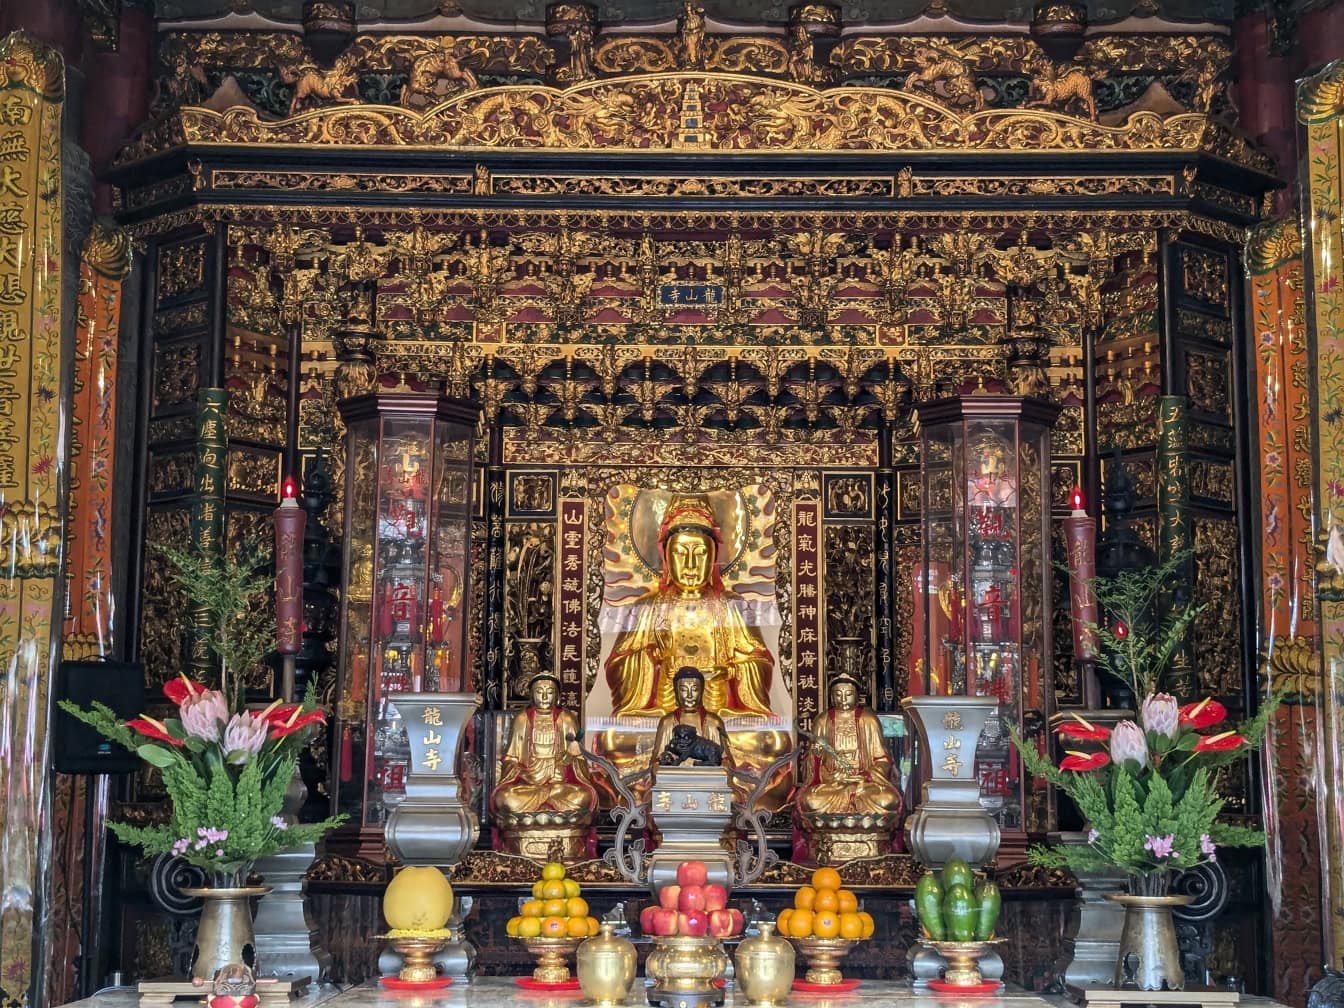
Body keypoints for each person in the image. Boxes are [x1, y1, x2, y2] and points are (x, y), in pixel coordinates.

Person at [604, 494, 774, 718]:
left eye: (701, 554)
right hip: (661, 713)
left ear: (713, 556)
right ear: (666, 556)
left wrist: (729, 671)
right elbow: (617, 666)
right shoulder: (647, 608)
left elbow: (760, 662)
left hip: (721, 713)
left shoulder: (733, 606)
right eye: (680, 554)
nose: (691, 565)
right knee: (613, 738)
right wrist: (653, 660)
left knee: (773, 741)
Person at [491, 674, 597, 819]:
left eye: (550, 692)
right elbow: (510, 759)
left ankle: (541, 808)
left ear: (558, 696)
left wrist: (570, 760)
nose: (545, 697)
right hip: (530, 785)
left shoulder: (567, 718)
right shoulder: (522, 719)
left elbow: (579, 759)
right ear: (532, 695)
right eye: (539, 692)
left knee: (582, 797)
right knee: (505, 798)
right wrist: (520, 770)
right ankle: (553, 810)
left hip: (559, 787)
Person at [798, 675, 901, 817]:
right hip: (833, 785)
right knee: (810, 801)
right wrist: (819, 760)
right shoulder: (822, 721)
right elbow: (812, 765)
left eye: (848, 694)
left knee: (888, 800)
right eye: (838, 695)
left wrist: (865, 776)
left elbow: (883, 760)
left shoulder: (868, 720)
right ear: (832, 697)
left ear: (857, 696)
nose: (843, 699)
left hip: (864, 786)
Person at [650, 667, 734, 785]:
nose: (689, 695)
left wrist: (697, 765)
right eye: (684, 690)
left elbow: (726, 763)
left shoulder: (713, 722)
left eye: (694, 690)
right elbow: (656, 764)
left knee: (733, 798)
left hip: (709, 782)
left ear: (702, 691)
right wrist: (671, 764)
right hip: (674, 783)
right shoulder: (667, 722)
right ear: (676, 692)